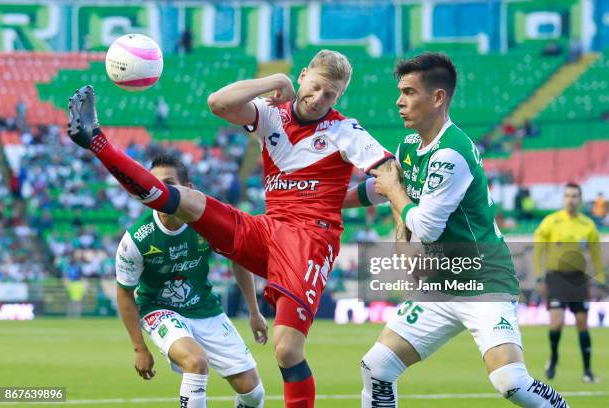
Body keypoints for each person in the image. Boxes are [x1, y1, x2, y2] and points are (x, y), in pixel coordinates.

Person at [66, 49, 393, 407]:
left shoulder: (346, 130)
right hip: (268, 230)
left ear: (339, 96)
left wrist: (403, 215)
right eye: (315, 87)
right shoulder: (272, 114)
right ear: (301, 76)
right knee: (185, 199)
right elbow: (218, 103)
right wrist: (273, 82)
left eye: (330, 94)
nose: (318, 99)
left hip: (309, 241)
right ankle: (97, 141)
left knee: (286, 350)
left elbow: (388, 173)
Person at [344, 52, 570, 407]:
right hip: (441, 284)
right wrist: (315, 202)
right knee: (377, 367)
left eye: (408, 92)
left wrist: (395, 193)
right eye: (399, 92)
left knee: (510, 382)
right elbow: (380, 190)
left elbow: (426, 226)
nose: (398, 101)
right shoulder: (408, 147)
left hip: (483, 281)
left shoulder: (452, 152)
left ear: (437, 98)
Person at [116, 154, 267, 408]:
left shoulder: (207, 223)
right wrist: (139, 348)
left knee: (253, 393)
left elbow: (238, 258)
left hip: (205, 308)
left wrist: (254, 311)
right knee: (196, 362)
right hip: (159, 310)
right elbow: (124, 293)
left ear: (188, 189)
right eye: (154, 184)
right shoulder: (137, 239)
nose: (160, 190)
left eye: (168, 183)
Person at [534, 182, 604, 383]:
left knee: (582, 324)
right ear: (563, 199)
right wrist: (539, 275)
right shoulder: (551, 221)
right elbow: (538, 248)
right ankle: (554, 357)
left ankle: (587, 371)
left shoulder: (587, 225)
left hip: (578, 279)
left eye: (574, 196)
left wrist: (599, 280)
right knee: (557, 322)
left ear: (580, 200)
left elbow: (596, 255)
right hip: (556, 277)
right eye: (567, 195)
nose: (571, 199)